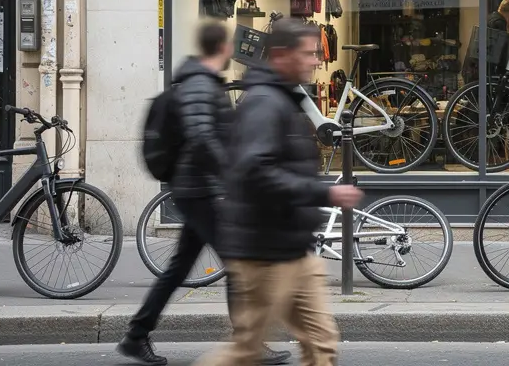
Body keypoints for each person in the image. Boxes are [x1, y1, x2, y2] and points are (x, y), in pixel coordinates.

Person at [118, 22, 292, 366]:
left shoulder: (201, 81)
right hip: (200, 189)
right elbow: (200, 137)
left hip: (197, 188)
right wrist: (231, 174)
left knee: (179, 267)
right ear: (224, 48)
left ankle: (136, 335)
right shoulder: (199, 83)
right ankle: (249, 345)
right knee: (240, 264)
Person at [195, 18, 363, 366]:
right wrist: (324, 195)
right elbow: (255, 172)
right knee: (245, 351)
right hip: (264, 253)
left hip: (291, 247)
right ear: (283, 55)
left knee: (321, 342)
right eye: (309, 54)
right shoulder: (265, 103)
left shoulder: (283, 97)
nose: (316, 61)